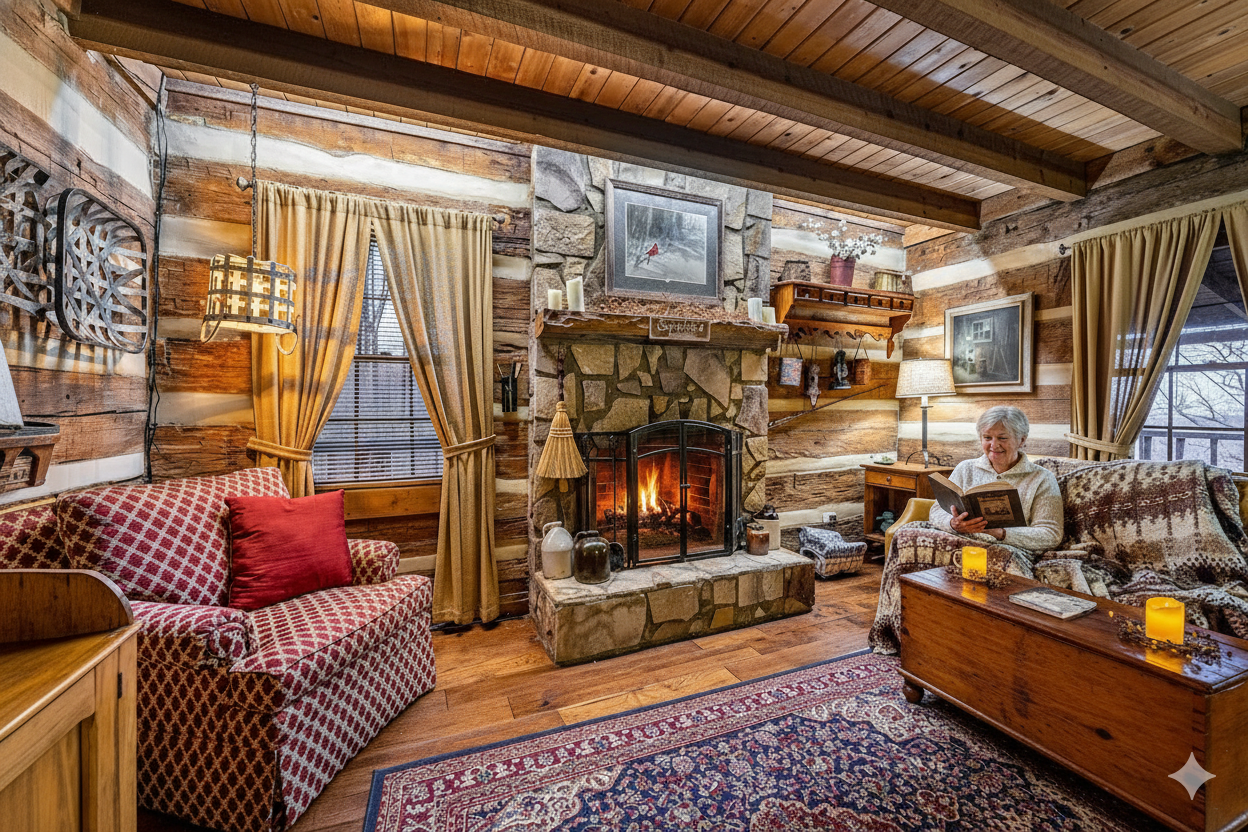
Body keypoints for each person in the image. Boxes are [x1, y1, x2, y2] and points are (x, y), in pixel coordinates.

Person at [929, 405, 1063, 552]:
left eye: (1002, 438)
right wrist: (952, 523)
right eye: (987, 437)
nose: (994, 445)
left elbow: (1051, 534)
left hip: (1007, 549)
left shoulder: (1042, 479)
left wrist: (1001, 533)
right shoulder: (965, 468)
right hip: (957, 540)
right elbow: (936, 511)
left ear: (1021, 440)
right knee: (905, 534)